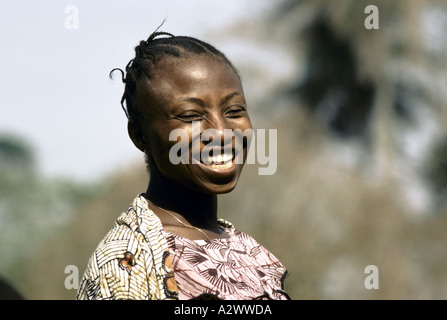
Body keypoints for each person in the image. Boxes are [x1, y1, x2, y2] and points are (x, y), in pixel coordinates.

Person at [76, 29, 289, 300]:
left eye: (234, 111)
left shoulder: (247, 249)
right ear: (140, 136)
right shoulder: (126, 261)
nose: (221, 133)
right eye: (190, 116)